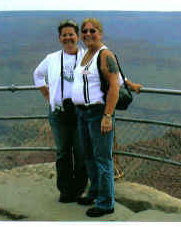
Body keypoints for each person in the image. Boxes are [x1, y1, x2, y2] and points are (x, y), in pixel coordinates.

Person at [71, 18, 142, 217]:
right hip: (82, 113)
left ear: (100, 33)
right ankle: (94, 192)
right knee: (89, 156)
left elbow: (113, 86)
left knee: (102, 159)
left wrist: (107, 116)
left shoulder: (104, 54)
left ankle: (105, 203)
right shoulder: (86, 54)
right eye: (84, 31)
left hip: (97, 113)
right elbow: (119, 77)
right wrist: (131, 83)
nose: (87, 34)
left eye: (92, 30)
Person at [33, 19, 88, 203]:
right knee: (63, 153)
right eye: (64, 35)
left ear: (77, 36)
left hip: (81, 113)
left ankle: (79, 189)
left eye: (71, 34)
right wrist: (47, 94)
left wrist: (126, 82)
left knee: (80, 153)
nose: (68, 38)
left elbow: (107, 72)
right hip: (59, 113)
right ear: (59, 38)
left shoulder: (87, 56)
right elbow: (37, 74)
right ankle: (65, 190)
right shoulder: (52, 58)